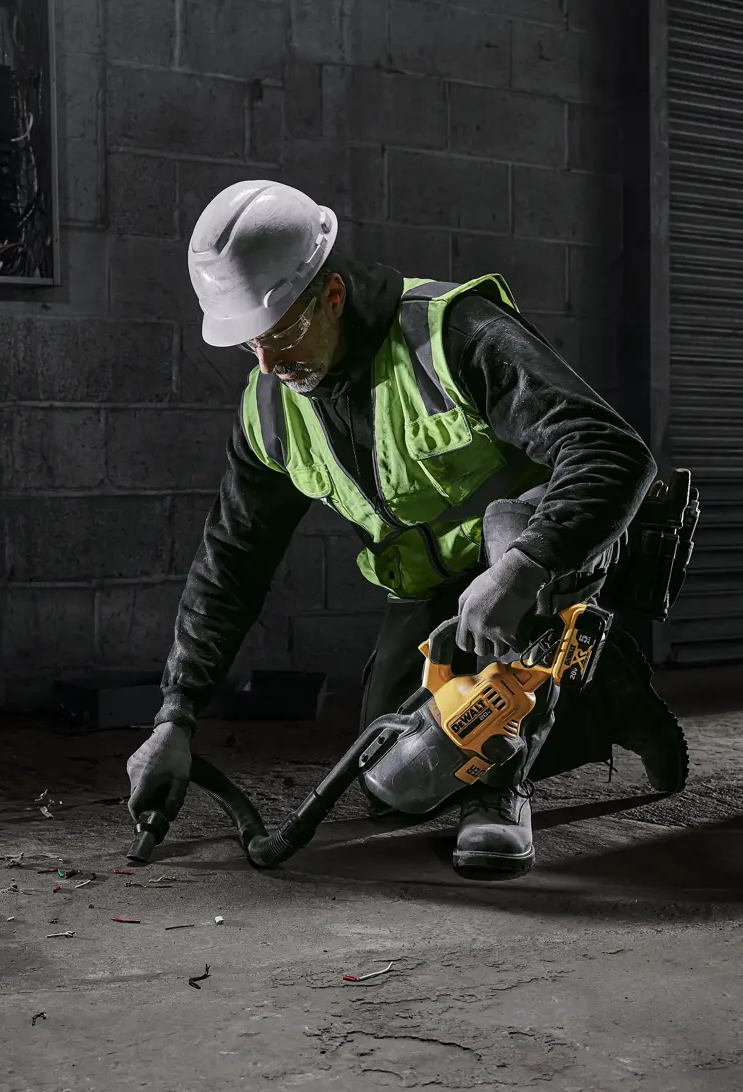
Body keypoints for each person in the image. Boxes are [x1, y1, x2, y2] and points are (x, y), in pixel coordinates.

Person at [126, 180, 688, 877]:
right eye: (251, 344)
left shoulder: (452, 333)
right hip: (430, 588)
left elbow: (612, 450)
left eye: (283, 333)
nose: (269, 364)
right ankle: (609, 699)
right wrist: (176, 716)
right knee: (396, 780)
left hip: (533, 560)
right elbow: (232, 561)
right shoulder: (270, 409)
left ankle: (498, 790)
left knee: (471, 706)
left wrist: (524, 567)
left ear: (333, 295)